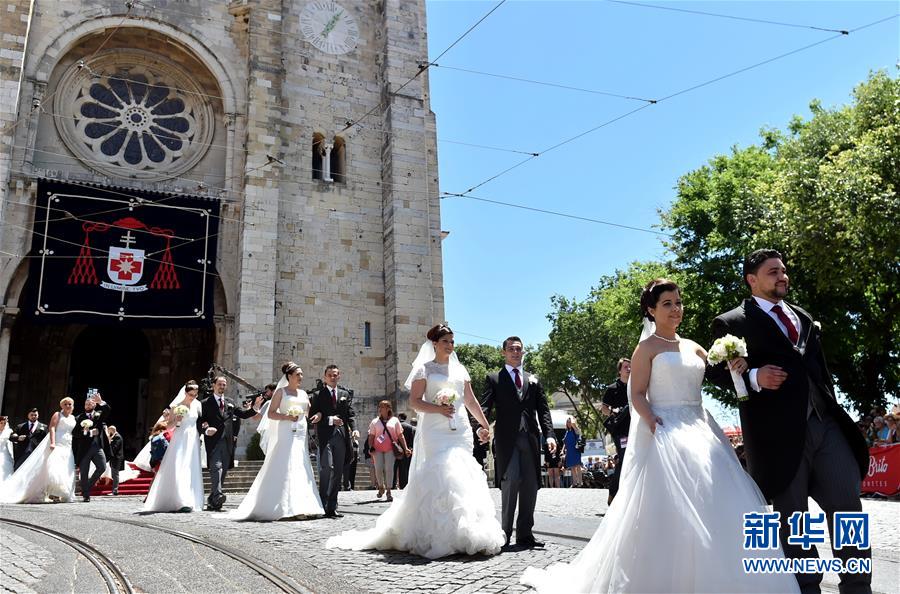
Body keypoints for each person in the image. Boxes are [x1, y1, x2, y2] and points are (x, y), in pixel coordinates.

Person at [522, 278, 799, 593]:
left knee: (717, 502)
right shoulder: (646, 348)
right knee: (671, 511)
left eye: (678, 302)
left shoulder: (695, 346)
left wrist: (740, 366)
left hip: (701, 430)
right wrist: (651, 418)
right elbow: (637, 394)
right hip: (665, 430)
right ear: (651, 310)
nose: (676, 309)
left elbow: (721, 377)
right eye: (667, 304)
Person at [709, 249, 871, 594]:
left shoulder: (804, 317)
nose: (782, 276)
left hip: (825, 425)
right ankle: (806, 589)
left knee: (849, 510)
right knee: (793, 520)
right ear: (752, 280)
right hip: (777, 437)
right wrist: (754, 376)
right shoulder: (733, 323)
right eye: (773, 272)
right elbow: (715, 371)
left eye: (783, 271)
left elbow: (820, 372)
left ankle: (858, 587)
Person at [327, 323, 504, 559]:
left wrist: (483, 424)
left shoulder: (461, 370)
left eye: (452, 341)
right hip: (435, 427)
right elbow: (415, 402)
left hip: (459, 428)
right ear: (435, 344)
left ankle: (465, 531)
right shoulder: (425, 369)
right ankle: (437, 532)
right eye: (445, 342)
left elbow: (470, 401)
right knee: (442, 473)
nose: (450, 346)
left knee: (463, 472)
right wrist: (438, 409)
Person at [482, 336, 556, 549]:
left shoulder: (533, 379)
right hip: (506, 440)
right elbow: (485, 406)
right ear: (503, 352)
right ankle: (504, 533)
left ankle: (525, 534)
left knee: (531, 485)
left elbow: (543, 410)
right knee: (511, 480)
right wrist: (481, 426)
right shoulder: (494, 378)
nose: (516, 352)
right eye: (511, 349)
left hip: (530, 438)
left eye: (519, 349)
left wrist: (549, 435)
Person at [230, 362, 324, 521]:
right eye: (297, 374)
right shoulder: (280, 392)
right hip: (285, 431)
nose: (301, 377)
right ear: (289, 376)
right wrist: (287, 417)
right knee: (286, 464)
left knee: (301, 464)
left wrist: (317, 416)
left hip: (300, 433)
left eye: (301, 374)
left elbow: (307, 413)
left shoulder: (303, 394)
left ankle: (305, 505)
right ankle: (284, 506)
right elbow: (271, 414)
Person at [197, 376, 258, 511]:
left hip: (228, 442)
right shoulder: (205, 403)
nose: (222, 387)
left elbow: (243, 414)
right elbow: (199, 421)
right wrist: (206, 430)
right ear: (213, 385)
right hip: (213, 441)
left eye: (224, 385)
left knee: (223, 469)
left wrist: (255, 407)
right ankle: (218, 494)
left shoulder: (230, 402)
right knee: (216, 467)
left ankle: (213, 500)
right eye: (219, 384)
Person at [142, 381, 204, 513]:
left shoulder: (198, 405)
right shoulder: (176, 406)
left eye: (195, 394)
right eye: (191, 394)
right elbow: (169, 426)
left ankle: (189, 499)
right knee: (178, 466)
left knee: (190, 467)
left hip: (192, 439)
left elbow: (200, 422)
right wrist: (178, 420)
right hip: (180, 437)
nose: (193, 397)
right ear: (186, 393)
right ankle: (179, 500)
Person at [0, 398, 77, 503]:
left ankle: (62, 492)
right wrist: (53, 442)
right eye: (66, 404)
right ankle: (53, 492)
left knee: (65, 467)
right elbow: (52, 428)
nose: (68, 405)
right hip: (57, 442)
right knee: (53, 467)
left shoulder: (73, 417)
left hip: (67, 444)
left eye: (70, 404)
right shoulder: (57, 414)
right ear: (62, 406)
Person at [309, 365, 358, 518]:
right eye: (329, 375)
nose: (332, 377)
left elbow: (350, 414)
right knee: (326, 468)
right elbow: (312, 417)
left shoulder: (344, 394)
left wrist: (354, 429)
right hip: (325, 437)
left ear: (339, 376)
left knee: (337, 471)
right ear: (325, 377)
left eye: (335, 375)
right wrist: (330, 419)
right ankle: (322, 505)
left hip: (341, 437)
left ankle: (332, 506)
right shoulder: (317, 395)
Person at [601, 357, 631, 504]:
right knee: (624, 458)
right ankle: (613, 492)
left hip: (636, 429)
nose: (629, 369)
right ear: (620, 370)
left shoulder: (635, 385)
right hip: (620, 431)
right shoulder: (612, 388)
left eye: (630, 366)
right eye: (625, 367)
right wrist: (613, 410)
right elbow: (604, 409)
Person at [367, 400, 410, 502]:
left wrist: (406, 448)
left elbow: (400, 435)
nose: (380, 409)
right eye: (380, 407)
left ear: (388, 408)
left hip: (390, 449)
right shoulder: (375, 421)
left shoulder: (395, 421)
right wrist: (370, 447)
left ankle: (389, 491)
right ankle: (381, 486)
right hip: (377, 449)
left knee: (389, 469)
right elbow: (371, 436)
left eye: (383, 407)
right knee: (378, 468)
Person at [73, 392, 112, 502]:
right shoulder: (79, 417)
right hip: (84, 449)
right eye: (86, 403)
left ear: (94, 405)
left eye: (90, 403)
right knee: (84, 472)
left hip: (97, 447)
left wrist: (101, 402)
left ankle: (87, 487)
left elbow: (107, 410)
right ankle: (86, 495)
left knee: (102, 467)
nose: (88, 404)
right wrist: (88, 432)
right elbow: (75, 433)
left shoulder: (99, 414)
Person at [394, 412, 416, 489]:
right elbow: (411, 440)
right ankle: (403, 485)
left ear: (399, 417)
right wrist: (409, 449)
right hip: (405, 451)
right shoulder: (410, 427)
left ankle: (393, 485)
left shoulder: (395, 426)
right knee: (404, 469)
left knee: (394, 468)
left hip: (394, 450)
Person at [561, 417, 583, 488]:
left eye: (569, 422)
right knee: (572, 467)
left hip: (575, 450)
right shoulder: (567, 431)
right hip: (569, 451)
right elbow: (565, 443)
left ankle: (580, 482)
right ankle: (574, 482)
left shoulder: (575, 430)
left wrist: (573, 419)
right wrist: (562, 450)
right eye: (567, 422)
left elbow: (574, 425)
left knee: (578, 466)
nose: (569, 423)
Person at [107, 425, 124, 495]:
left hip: (116, 458)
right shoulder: (114, 436)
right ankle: (115, 490)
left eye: (109, 430)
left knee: (115, 474)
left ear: (112, 430)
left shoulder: (117, 437)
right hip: (114, 458)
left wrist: (109, 442)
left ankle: (115, 490)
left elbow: (115, 448)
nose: (108, 432)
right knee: (114, 475)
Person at [0, 416, 14, 483]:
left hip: (4, 453)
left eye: (4, 423)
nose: (3, 424)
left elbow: (13, 439)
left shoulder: (9, 431)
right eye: (1, 423)